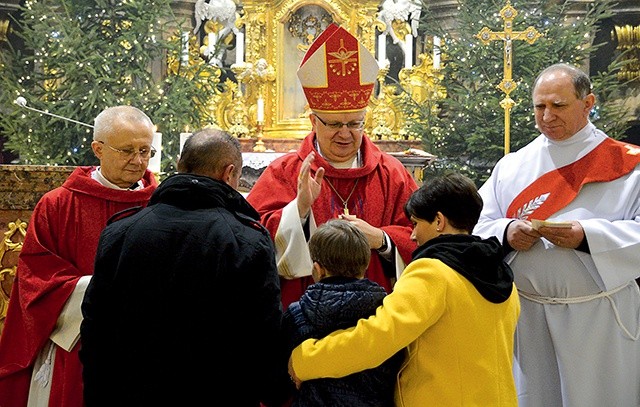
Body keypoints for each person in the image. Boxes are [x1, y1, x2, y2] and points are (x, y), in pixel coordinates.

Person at [79, 128, 293, 407]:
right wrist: (275, 392)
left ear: (180, 167)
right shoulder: (247, 239)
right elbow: (262, 336)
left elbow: (96, 329)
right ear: (229, 173)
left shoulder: (121, 231)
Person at [472, 63, 640, 406]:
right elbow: (478, 225)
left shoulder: (628, 165)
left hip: (598, 318)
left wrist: (587, 236)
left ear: (588, 102)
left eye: (558, 106)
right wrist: (507, 232)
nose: (547, 116)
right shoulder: (513, 165)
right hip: (528, 318)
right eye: (539, 106)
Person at [289, 172, 520, 406]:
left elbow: (376, 338)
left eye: (416, 223)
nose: (412, 234)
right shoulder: (502, 274)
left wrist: (305, 360)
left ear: (439, 221)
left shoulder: (432, 273)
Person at [247, 23, 418, 309]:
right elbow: (252, 236)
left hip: (378, 312)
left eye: (355, 124)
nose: (345, 133)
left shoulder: (391, 174)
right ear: (314, 121)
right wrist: (298, 211)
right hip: (304, 307)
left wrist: (384, 239)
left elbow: (422, 234)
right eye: (335, 124)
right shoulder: (286, 172)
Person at [0, 105, 158, 407]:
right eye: (127, 150)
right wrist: (106, 291)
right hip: (76, 343)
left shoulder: (160, 202)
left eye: (145, 151)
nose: (137, 161)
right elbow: (37, 279)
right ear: (97, 148)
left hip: (146, 344)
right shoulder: (58, 205)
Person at [283, 219, 403, 406]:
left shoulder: (297, 315)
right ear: (366, 266)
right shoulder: (386, 312)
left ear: (317, 269)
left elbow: (279, 384)